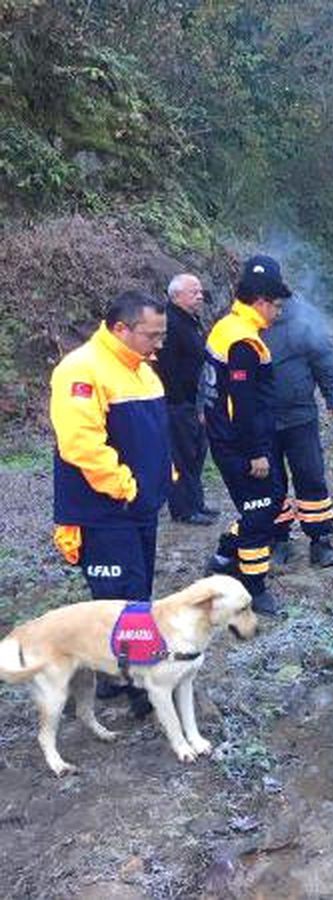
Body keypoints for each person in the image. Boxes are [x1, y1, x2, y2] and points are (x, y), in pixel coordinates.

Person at [50, 290, 172, 715]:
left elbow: (152, 432)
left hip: (139, 506)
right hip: (104, 510)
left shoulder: (142, 369)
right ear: (121, 328)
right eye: (151, 335)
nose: (158, 343)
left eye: (162, 335)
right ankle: (138, 684)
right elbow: (80, 443)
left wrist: (162, 475)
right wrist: (125, 485)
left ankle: (116, 674)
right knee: (118, 596)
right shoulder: (81, 370)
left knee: (136, 593)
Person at [201, 255, 288, 616]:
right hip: (241, 443)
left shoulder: (228, 326)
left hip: (225, 436)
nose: (279, 313)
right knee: (260, 510)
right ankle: (253, 586)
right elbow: (242, 403)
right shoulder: (243, 343)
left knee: (269, 500)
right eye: (277, 305)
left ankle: (224, 554)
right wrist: (256, 452)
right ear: (261, 301)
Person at [262, 291, 333, 568]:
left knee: (310, 476)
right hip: (261, 420)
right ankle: (278, 539)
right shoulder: (245, 322)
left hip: (300, 416)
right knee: (270, 482)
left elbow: (325, 358)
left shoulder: (304, 318)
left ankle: (320, 541)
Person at [155, 273, 217, 525]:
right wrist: (181, 402)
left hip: (194, 400)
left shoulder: (189, 320)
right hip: (178, 402)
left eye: (200, 291)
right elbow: (166, 366)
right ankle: (183, 509)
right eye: (194, 292)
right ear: (176, 295)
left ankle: (196, 503)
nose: (200, 296)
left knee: (196, 453)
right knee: (182, 455)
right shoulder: (170, 322)